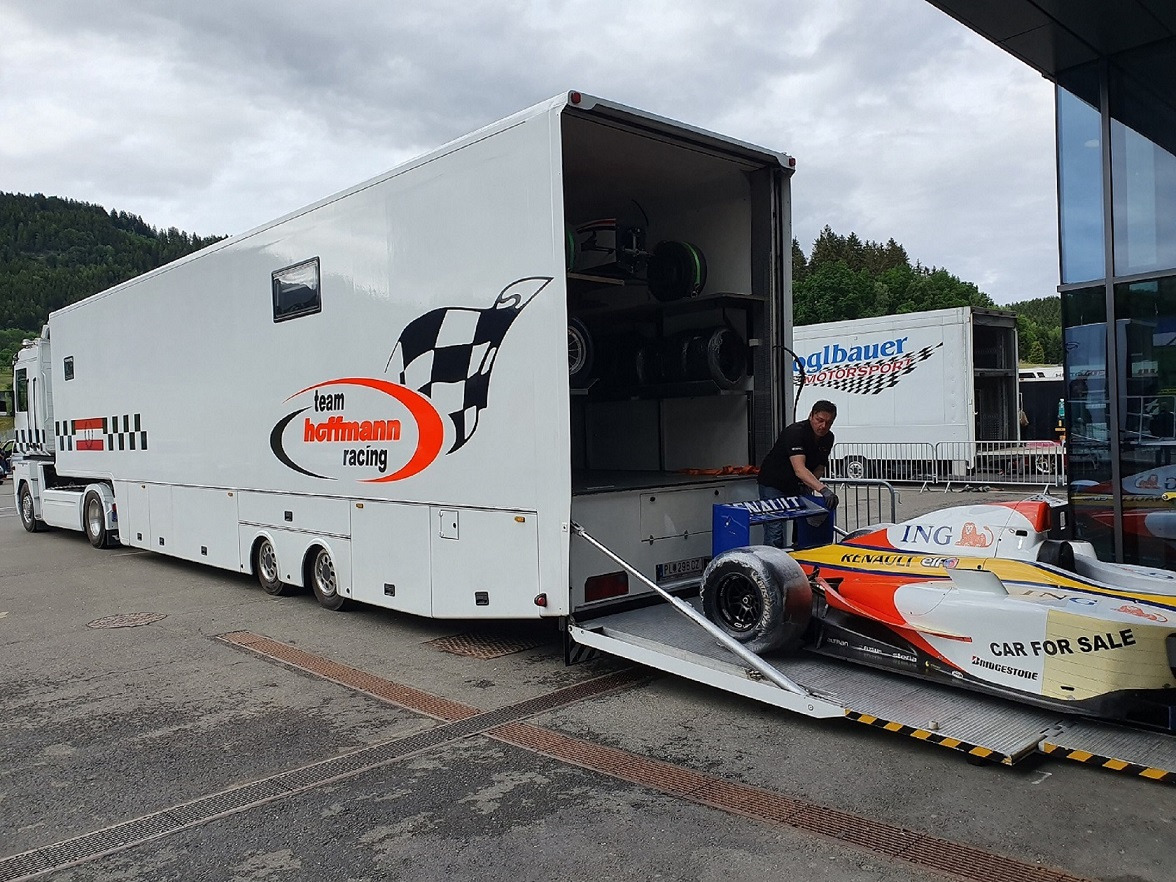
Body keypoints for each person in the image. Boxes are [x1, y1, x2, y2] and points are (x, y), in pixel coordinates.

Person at [757, 400, 838, 548]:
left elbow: (820, 466)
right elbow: (799, 469)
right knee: (775, 528)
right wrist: (823, 490)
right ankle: (773, 565)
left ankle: (799, 559)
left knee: (803, 524)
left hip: (798, 484)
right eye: (820, 420)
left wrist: (810, 485)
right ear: (811, 416)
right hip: (774, 483)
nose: (823, 426)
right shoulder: (795, 432)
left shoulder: (828, 437)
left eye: (828, 423)